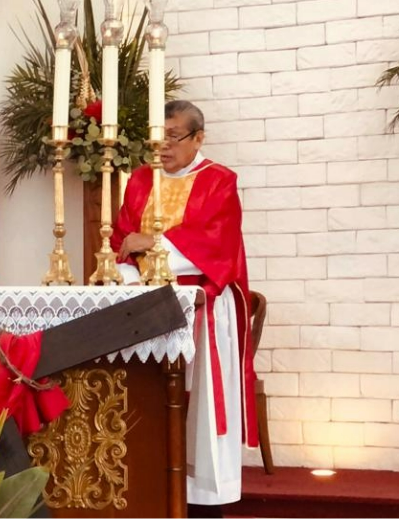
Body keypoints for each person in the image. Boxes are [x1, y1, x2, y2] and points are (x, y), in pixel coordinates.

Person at [111, 100, 256, 515]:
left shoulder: (219, 181)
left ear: (198, 138)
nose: (163, 147)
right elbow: (122, 240)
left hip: (202, 304)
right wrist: (129, 276)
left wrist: (151, 244)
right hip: (144, 306)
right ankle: (152, 488)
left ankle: (205, 502)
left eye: (173, 137)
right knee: (149, 395)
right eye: (157, 138)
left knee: (201, 409)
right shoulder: (139, 180)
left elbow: (216, 247)